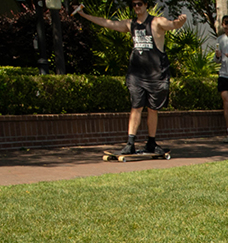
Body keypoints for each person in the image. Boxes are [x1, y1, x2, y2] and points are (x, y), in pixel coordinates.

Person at [73, 0, 186, 156]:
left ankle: (151, 143)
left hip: (156, 74)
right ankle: (130, 143)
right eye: (134, 5)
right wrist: (84, 15)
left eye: (139, 3)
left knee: (153, 109)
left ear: (146, 4)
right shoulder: (130, 24)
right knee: (136, 106)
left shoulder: (157, 22)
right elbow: (108, 24)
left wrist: (180, 22)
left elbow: (172, 25)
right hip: (136, 74)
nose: (137, 7)